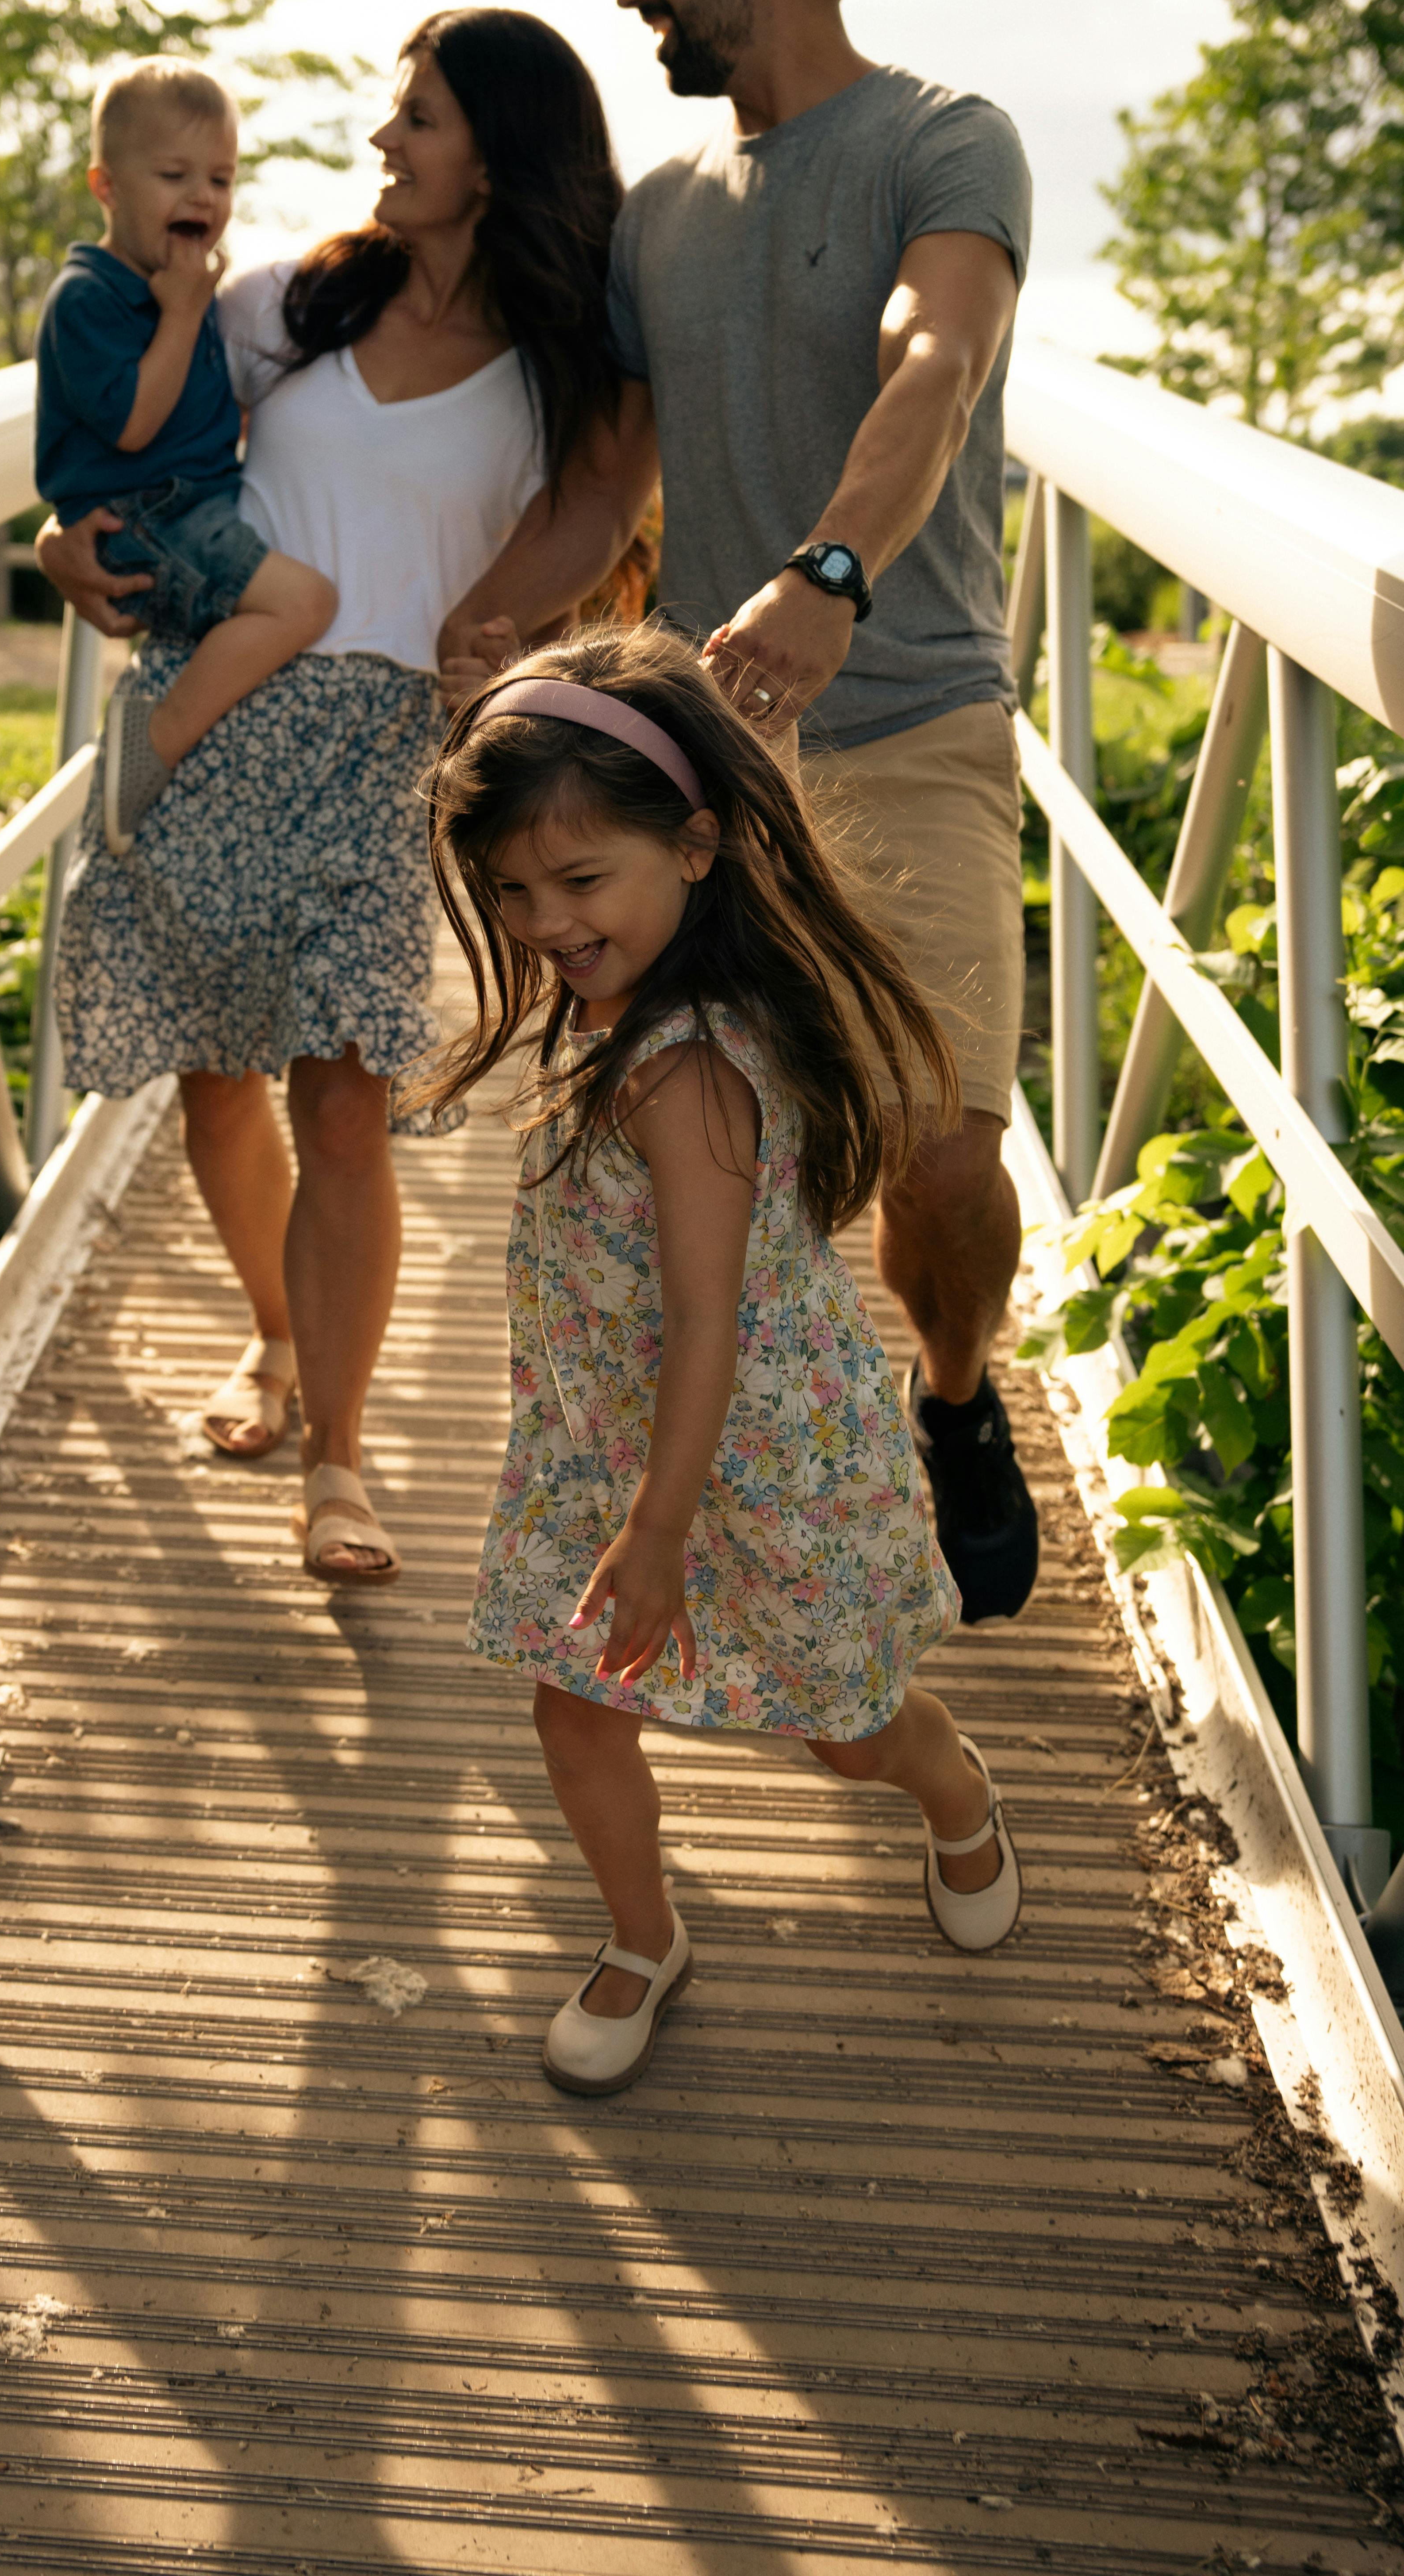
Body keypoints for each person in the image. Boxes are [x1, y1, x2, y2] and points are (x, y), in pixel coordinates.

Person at [440, 0, 1040, 1626]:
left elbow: (935, 363)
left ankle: (949, 1393)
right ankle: (714, 1508)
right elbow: (614, 469)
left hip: (911, 710)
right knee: (705, 1156)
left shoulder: (944, 140)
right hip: (698, 763)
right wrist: (484, 618)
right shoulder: (665, 220)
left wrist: (831, 574)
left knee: (942, 1159)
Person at [34, 10, 650, 1586]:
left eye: (418, 121)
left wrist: (492, 629)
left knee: (345, 1090)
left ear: (496, 156)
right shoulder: (289, 302)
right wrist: (64, 543)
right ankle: (274, 1331)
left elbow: (600, 504)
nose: (383, 145)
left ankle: (342, 1458)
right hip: (221, 717)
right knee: (217, 1080)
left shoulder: (561, 359)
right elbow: (139, 447)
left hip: (392, 748)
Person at [418, 621, 1023, 2095]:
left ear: (694, 847)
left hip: (750, 1457)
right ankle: (642, 1936)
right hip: (612, 1439)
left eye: (578, 880)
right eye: (510, 889)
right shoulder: (608, 1008)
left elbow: (711, 1318)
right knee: (572, 1703)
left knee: (850, 1730)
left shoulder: (687, 1065)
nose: (543, 919)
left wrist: (662, 1526)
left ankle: (958, 1797)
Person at [35, 61, 335, 854]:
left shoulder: (179, 286)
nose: (203, 197)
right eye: (174, 175)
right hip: (148, 515)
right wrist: (181, 314)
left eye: (221, 178)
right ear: (106, 186)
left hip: (184, 507)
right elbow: (133, 425)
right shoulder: (91, 296)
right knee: (304, 605)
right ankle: (156, 738)